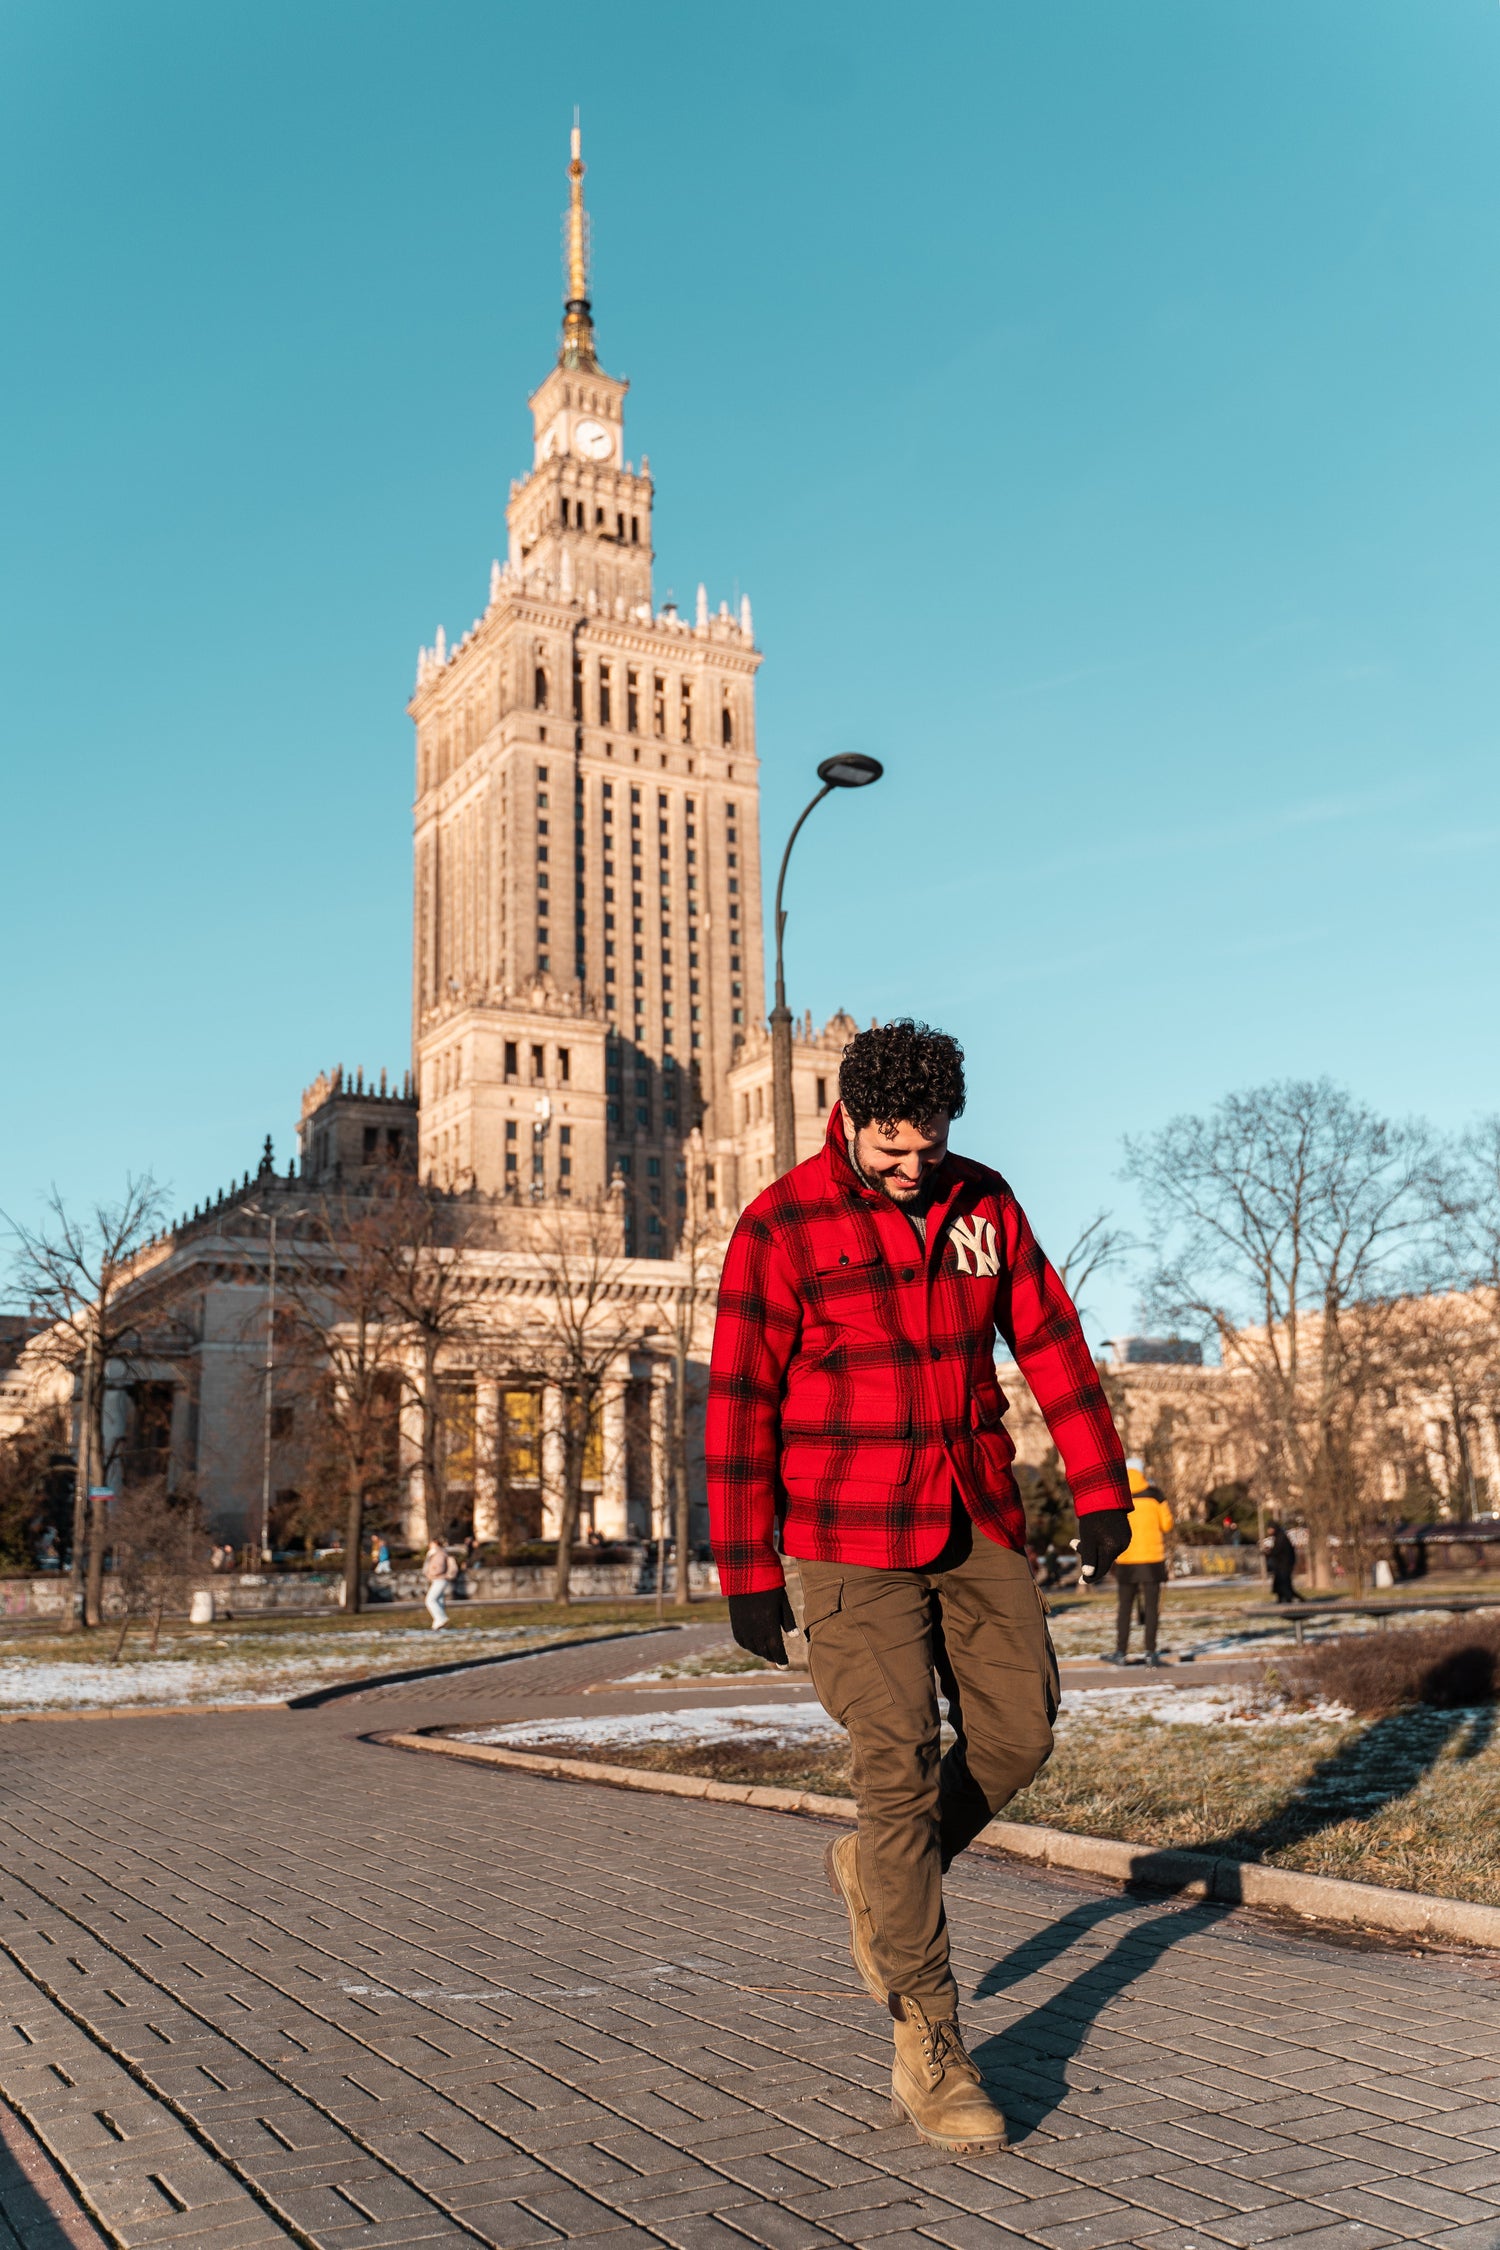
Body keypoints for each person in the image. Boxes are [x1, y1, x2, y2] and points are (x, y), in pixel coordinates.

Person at [707, 1020, 1132, 2155]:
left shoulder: (984, 1206)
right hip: (845, 1531)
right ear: (847, 1117)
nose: (912, 1166)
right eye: (891, 1145)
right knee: (894, 1763)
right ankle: (931, 2043)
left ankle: (879, 1874)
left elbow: (1055, 1342)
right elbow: (741, 1397)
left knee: (1019, 1733)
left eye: (929, 1144)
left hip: (973, 1506)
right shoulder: (782, 1224)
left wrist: (1102, 1492)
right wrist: (748, 1566)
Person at [1101, 1463, 1173, 1666]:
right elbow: (1167, 1524)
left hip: (1126, 1560)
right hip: (1152, 1560)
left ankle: (1120, 1652)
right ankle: (1150, 1651)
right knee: (1151, 1608)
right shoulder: (1155, 1495)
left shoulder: (1117, 1495)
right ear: (1142, 1472)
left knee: (1124, 1608)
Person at [422, 1538, 457, 1629]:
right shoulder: (436, 1553)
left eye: (431, 1543)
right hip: (438, 1579)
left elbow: (438, 1567)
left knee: (430, 1600)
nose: (429, 1545)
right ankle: (438, 1624)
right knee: (438, 1601)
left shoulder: (439, 1553)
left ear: (436, 1544)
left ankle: (441, 1618)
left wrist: (431, 1573)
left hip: (439, 1579)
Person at [1263, 1520, 1301, 1604]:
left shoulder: (1281, 1537)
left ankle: (1289, 1599)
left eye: (1269, 1529)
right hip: (1281, 1564)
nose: (1268, 1531)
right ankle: (1282, 1599)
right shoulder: (1279, 1536)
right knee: (1280, 1583)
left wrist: (1268, 1553)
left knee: (1284, 1583)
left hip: (1284, 1564)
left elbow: (1277, 1550)